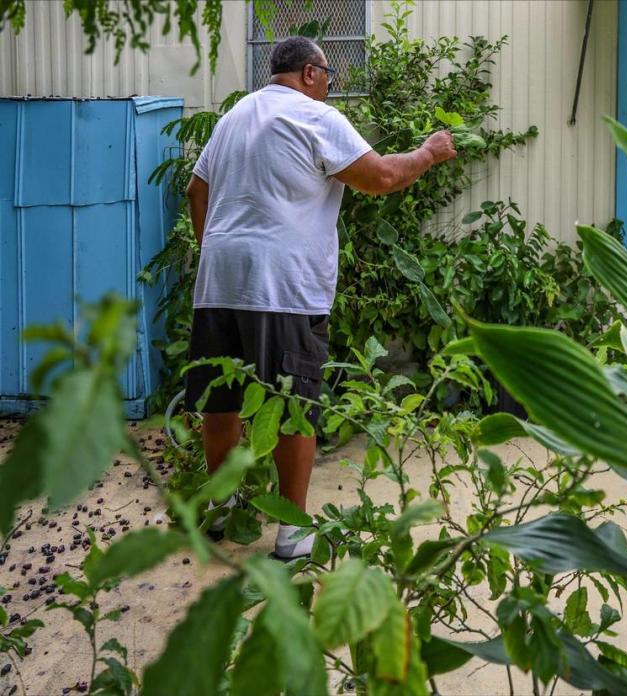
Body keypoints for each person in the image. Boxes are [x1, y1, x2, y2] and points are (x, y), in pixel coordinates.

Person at [183, 36, 457, 559]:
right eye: (328, 74)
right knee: (293, 404)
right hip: (281, 286)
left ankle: (219, 511)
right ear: (310, 73)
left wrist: (217, 249)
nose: (330, 85)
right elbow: (379, 176)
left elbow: (197, 190)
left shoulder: (234, 117)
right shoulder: (314, 116)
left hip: (220, 281)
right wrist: (428, 151)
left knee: (222, 401)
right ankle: (292, 534)